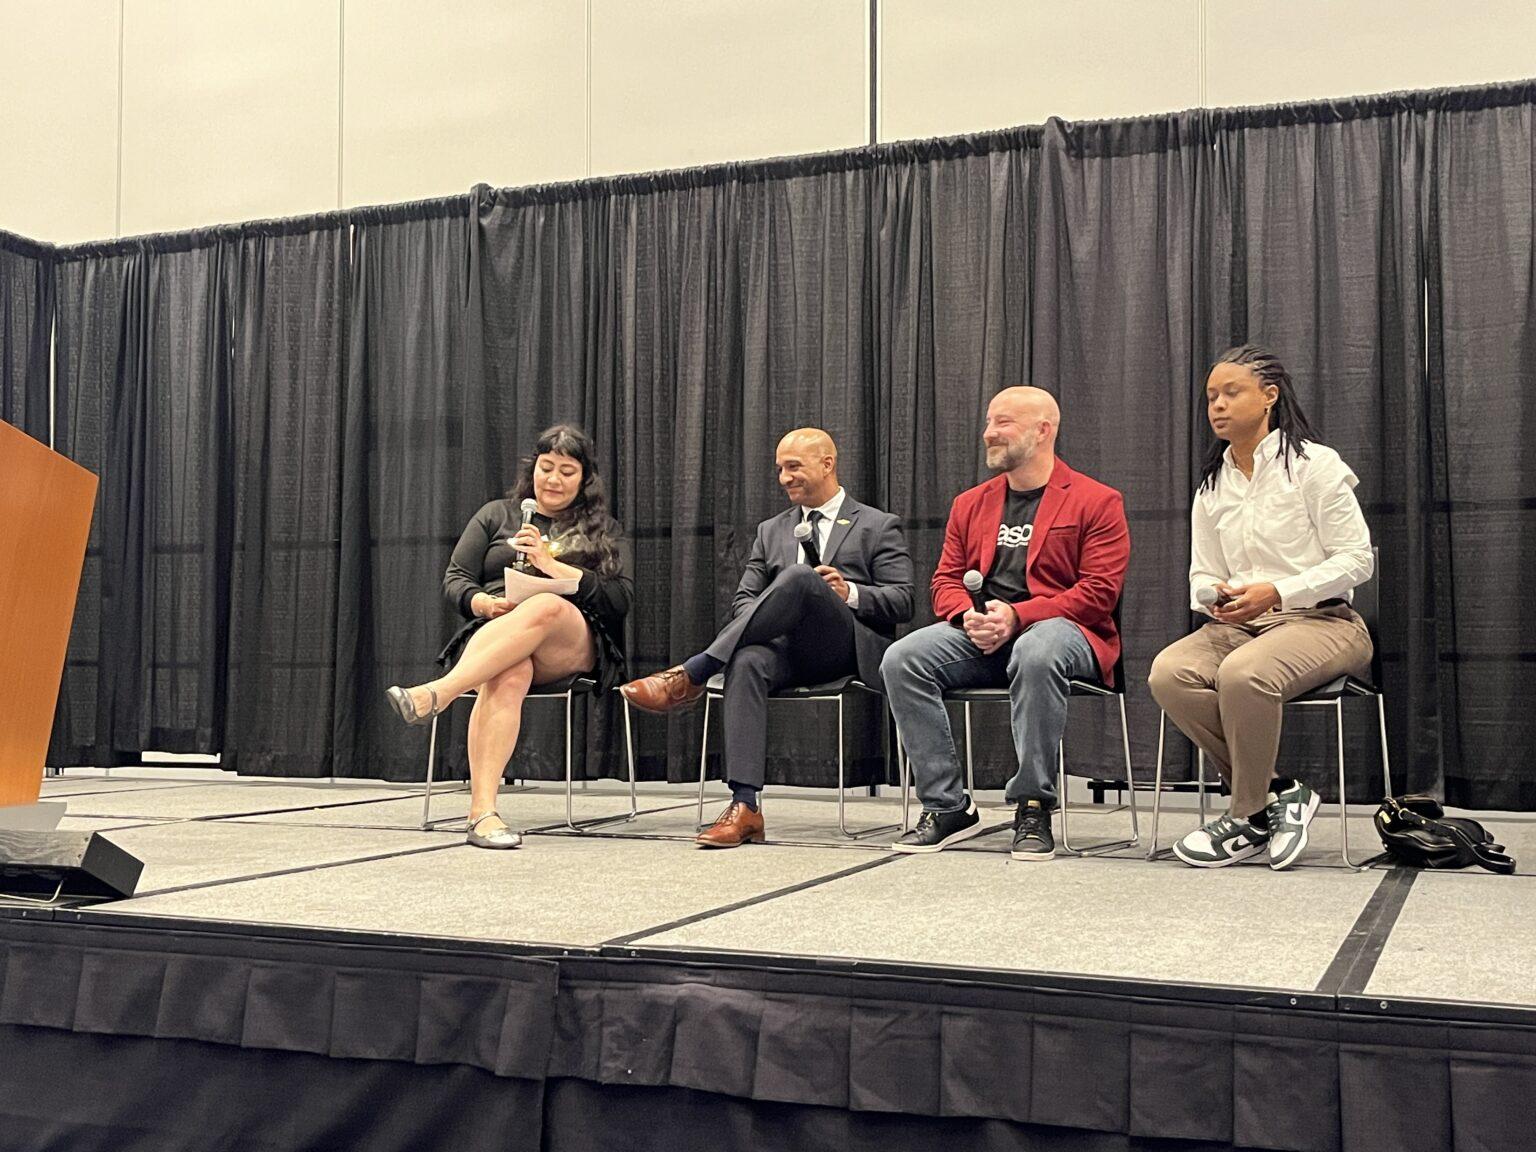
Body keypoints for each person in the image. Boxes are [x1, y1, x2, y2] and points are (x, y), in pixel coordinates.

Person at [620, 428, 913, 847]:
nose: (783, 478)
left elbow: (903, 601)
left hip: (845, 648)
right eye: (779, 469)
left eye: (793, 467)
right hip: (785, 653)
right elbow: (744, 602)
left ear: (827, 464)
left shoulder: (876, 525)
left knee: (800, 578)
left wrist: (849, 592)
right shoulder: (770, 530)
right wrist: (774, 615)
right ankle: (745, 807)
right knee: (747, 660)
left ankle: (696, 672)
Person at [1148, 344, 1373, 870]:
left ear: (1269, 396)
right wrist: (1215, 596)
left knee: (1243, 675)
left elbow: (1357, 559)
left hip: (1324, 621)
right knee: (1168, 674)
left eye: (1231, 393)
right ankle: (1280, 793)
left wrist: (1278, 592)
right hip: (1241, 625)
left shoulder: (1314, 466)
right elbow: (1201, 573)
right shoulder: (1212, 484)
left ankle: (1246, 814)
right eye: (1211, 397)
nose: (1218, 406)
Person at [883, 386, 1129, 861]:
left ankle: (1033, 805)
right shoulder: (970, 503)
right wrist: (967, 615)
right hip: (986, 637)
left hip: (1064, 632)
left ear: (1043, 431)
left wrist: (1019, 616)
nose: (988, 433)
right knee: (903, 658)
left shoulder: (1097, 500)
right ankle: (947, 806)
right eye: (989, 422)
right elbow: (945, 580)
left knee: (1036, 650)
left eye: (1003, 423)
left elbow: (1099, 592)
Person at [385, 424, 632, 850]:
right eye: (546, 467)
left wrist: (551, 566)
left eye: (567, 472)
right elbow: (455, 578)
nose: (553, 480)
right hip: (499, 630)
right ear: (532, 469)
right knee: (510, 671)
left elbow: (620, 599)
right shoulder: (496, 514)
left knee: (546, 605)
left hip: (571, 638)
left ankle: (439, 693)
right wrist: (482, 603)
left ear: (584, 479)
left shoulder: (602, 529)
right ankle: (483, 814)